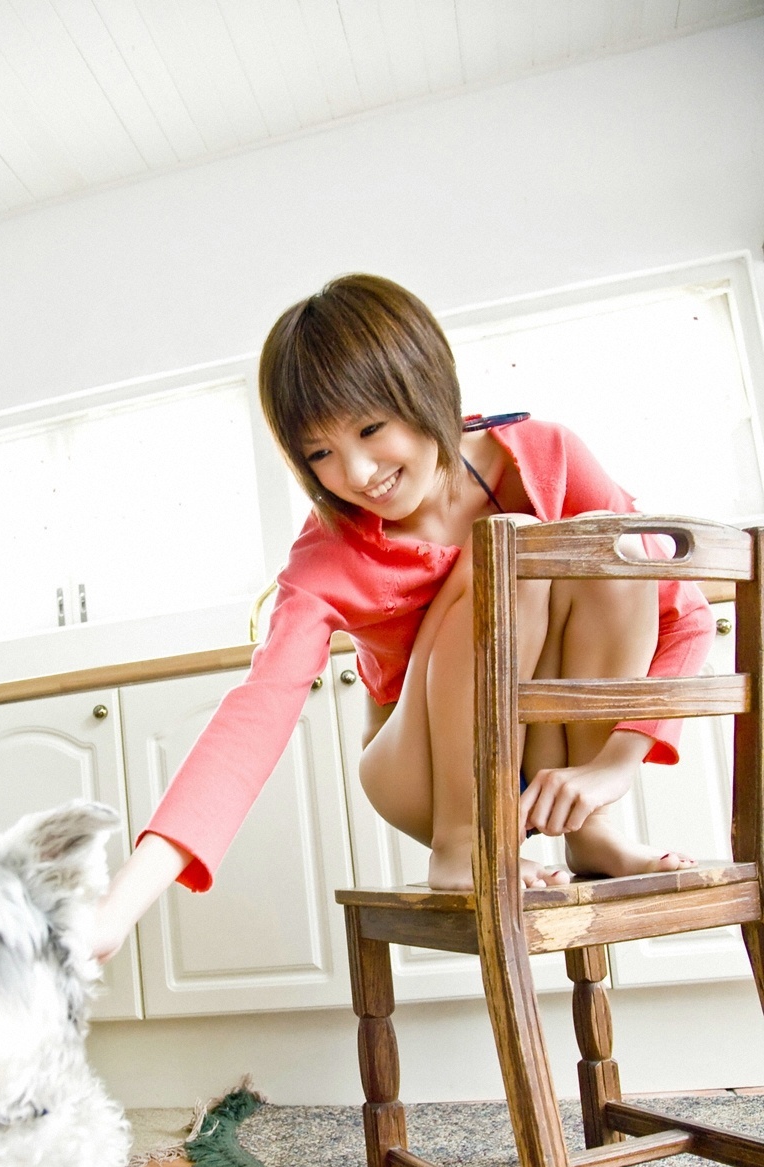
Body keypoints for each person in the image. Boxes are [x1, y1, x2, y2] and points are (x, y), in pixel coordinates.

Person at [91, 274, 715, 961]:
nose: (357, 473)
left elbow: (682, 614)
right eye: (319, 454)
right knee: (501, 549)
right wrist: (115, 910)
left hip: (539, 745)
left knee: (601, 544)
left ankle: (591, 829)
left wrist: (615, 766)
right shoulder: (327, 557)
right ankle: (462, 845)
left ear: (426, 389)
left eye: (369, 429)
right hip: (417, 768)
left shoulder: (547, 454)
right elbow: (253, 719)